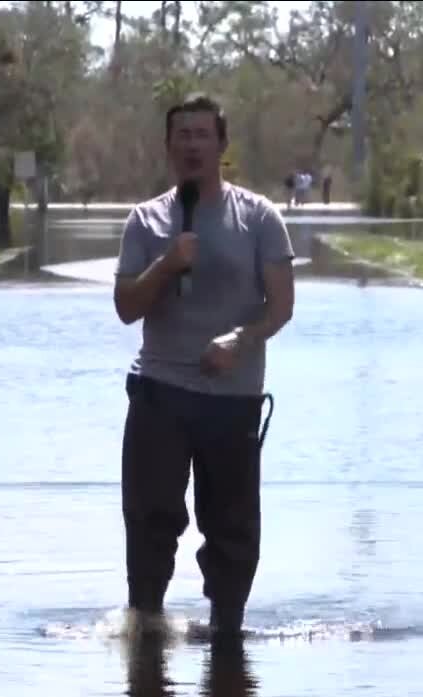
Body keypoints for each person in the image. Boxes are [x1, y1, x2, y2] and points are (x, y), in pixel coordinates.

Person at [112, 93, 296, 639]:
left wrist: (243, 338)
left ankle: (227, 631)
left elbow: (281, 306)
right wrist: (168, 263)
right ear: (168, 147)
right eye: (182, 135)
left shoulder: (259, 217)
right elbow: (126, 309)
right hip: (161, 392)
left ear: (221, 145)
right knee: (150, 520)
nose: (192, 145)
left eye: (201, 134)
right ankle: (145, 631)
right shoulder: (146, 221)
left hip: (232, 396)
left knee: (232, 528)